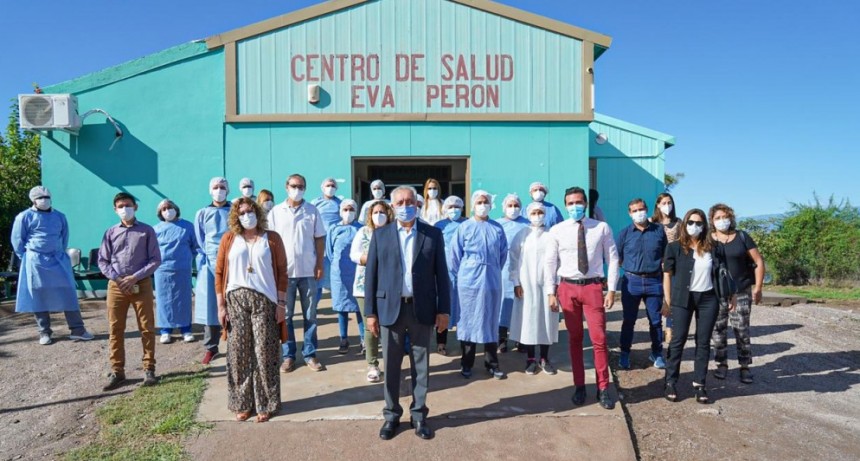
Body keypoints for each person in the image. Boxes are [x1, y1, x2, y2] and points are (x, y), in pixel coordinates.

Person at [365, 185, 450, 441]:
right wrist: (370, 312)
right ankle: (391, 415)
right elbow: (371, 276)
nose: (405, 206)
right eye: (400, 202)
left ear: (418, 204)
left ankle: (419, 415)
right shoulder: (380, 235)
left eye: (410, 201)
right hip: (390, 310)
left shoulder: (432, 235)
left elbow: (442, 276)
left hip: (421, 308)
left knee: (421, 366)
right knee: (391, 367)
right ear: (392, 206)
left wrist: (444, 310)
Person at [545, 186, 619, 410]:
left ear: (586, 204)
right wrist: (551, 292)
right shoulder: (557, 230)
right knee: (575, 340)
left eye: (578, 202)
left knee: (599, 340)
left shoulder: (601, 228)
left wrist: (612, 289)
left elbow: (613, 258)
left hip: (592, 288)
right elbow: (550, 262)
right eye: (570, 203)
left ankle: (603, 387)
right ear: (565, 205)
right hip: (567, 288)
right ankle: (579, 386)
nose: (574, 206)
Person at [215, 198, 287, 423]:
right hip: (235, 299)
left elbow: (283, 272)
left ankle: (266, 403)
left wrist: (282, 304)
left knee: (264, 352)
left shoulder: (271, 238)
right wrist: (220, 306)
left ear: (258, 213)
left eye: (251, 211)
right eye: (242, 212)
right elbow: (219, 273)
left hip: (264, 300)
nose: (247, 215)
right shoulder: (229, 239)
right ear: (236, 217)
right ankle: (242, 403)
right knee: (238, 353)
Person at [662, 209, 735, 404]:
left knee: (703, 343)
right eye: (691, 222)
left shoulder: (714, 247)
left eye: (699, 223)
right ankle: (670, 381)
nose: (695, 226)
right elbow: (667, 275)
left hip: (708, 299)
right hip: (682, 299)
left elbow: (724, 272)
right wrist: (667, 301)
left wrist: (731, 295)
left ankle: (700, 385)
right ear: (685, 224)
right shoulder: (675, 247)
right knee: (678, 340)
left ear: (705, 226)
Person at [10, 186, 93, 345]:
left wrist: (58, 252)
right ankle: (44, 332)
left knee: (68, 291)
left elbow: (64, 237)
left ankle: (78, 330)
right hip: (36, 261)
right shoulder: (24, 217)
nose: (44, 199)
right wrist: (28, 258)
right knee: (39, 294)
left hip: (58, 260)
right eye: (40, 197)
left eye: (47, 196)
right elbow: (17, 241)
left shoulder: (60, 216)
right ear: (33, 199)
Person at [98, 192, 162, 390]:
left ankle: (149, 369)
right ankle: (117, 371)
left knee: (146, 327)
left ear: (136, 207)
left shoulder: (146, 231)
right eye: (120, 206)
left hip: (140, 284)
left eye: (128, 205)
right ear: (115, 209)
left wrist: (134, 277)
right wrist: (118, 279)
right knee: (115, 329)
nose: (124, 209)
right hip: (116, 287)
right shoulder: (110, 232)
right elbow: (103, 260)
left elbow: (155, 259)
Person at [268, 173, 326, 372]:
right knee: (286, 316)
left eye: (301, 186)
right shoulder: (276, 212)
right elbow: (270, 242)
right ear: (286, 187)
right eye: (294, 185)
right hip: (285, 274)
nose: (297, 189)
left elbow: (319, 238)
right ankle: (288, 355)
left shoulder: (312, 211)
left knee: (311, 315)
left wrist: (319, 263)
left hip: (308, 271)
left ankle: (309, 354)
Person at [452, 190, 508, 379]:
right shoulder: (464, 227)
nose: (482, 205)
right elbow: (454, 256)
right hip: (469, 280)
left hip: (491, 278)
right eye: (479, 202)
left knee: (490, 320)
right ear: (473, 205)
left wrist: (490, 268)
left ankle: (492, 363)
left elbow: (502, 254)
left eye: (485, 202)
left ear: (490, 205)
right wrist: (465, 272)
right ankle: (466, 363)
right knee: (469, 320)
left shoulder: (497, 228)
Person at [709, 203, 765, 384]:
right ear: (711, 221)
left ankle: (745, 366)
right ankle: (721, 364)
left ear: (731, 218)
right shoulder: (708, 240)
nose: (721, 221)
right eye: (717, 218)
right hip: (716, 293)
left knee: (741, 329)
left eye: (724, 217)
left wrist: (758, 287)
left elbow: (758, 261)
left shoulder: (742, 237)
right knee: (718, 330)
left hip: (741, 291)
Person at [616, 198, 668, 370]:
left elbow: (666, 255)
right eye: (634, 210)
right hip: (632, 282)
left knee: (655, 321)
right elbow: (617, 258)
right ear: (629, 213)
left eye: (641, 209)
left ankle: (657, 353)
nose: (639, 213)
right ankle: (624, 353)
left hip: (654, 281)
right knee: (629, 320)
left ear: (646, 209)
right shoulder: (625, 233)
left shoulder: (659, 230)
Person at [508, 202, 558, 375]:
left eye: (540, 212)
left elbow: (557, 262)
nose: (537, 215)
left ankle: (544, 358)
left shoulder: (552, 235)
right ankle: (530, 359)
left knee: (546, 320)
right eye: (534, 212)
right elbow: (513, 259)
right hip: (526, 285)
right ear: (528, 215)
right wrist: (516, 283)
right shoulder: (522, 234)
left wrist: (554, 288)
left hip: (548, 286)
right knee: (528, 321)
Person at [351, 200, 394, 382]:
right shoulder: (363, 232)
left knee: (388, 326)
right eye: (375, 212)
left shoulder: (394, 233)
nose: (379, 215)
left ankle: (391, 363)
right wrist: (368, 259)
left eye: (382, 212)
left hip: (388, 287)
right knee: (371, 326)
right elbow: (353, 254)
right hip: (364, 286)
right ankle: (373, 364)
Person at [194, 177, 233, 365]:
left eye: (223, 187)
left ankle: (236, 345)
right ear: (210, 191)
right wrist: (211, 256)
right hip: (211, 263)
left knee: (236, 303)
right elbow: (200, 239)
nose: (219, 190)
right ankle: (211, 347)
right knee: (212, 306)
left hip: (234, 263)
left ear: (228, 190)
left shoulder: (235, 211)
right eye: (216, 187)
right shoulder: (202, 213)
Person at [154, 199, 198, 344]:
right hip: (162, 270)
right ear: (160, 213)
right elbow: (152, 250)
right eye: (164, 209)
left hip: (182, 269)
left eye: (170, 207)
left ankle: (186, 329)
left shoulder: (187, 227)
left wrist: (186, 259)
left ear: (176, 208)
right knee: (163, 300)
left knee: (183, 299)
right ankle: (165, 330)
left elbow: (195, 246)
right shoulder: (156, 230)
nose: (167, 211)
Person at [326, 199, 364, 354]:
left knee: (360, 307)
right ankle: (343, 338)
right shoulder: (333, 229)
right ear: (340, 211)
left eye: (351, 209)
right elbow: (329, 252)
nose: (348, 212)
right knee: (341, 307)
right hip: (339, 274)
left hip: (358, 272)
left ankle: (364, 339)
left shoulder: (361, 228)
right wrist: (336, 265)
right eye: (345, 209)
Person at [432, 195, 467, 355]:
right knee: (444, 308)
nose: (454, 210)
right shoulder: (439, 226)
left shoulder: (467, 224)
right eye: (450, 207)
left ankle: (465, 343)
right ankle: (441, 343)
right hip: (444, 272)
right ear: (445, 209)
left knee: (463, 309)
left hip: (465, 272)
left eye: (457, 206)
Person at [495, 193, 530, 353]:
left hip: (523, 268)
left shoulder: (528, 225)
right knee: (504, 302)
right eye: (510, 205)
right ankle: (501, 337)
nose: (513, 208)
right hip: (503, 268)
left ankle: (521, 338)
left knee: (521, 302)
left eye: (516, 205)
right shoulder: (497, 225)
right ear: (504, 207)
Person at [651, 192, 681, 344]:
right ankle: (657, 327)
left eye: (669, 202)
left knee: (671, 298)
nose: (667, 205)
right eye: (663, 203)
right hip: (655, 267)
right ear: (657, 205)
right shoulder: (652, 222)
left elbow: (683, 244)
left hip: (673, 266)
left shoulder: (678, 223)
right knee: (657, 297)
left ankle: (670, 328)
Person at [312, 177, 343, 304]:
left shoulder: (340, 203)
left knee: (335, 277)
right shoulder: (315, 203)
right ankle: (314, 306)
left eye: (333, 186)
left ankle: (338, 303)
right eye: (328, 185)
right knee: (318, 279)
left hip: (334, 244)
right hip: (318, 243)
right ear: (322, 187)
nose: (330, 188)